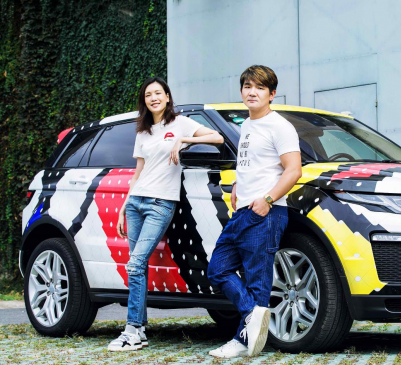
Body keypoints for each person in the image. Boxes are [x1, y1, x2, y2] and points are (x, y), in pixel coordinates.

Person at [107, 77, 224, 351]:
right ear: (144, 101)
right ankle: (139, 330)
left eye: (158, 93)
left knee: (135, 264)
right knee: (138, 266)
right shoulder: (143, 132)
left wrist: (183, 140)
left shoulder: (180, 123)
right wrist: (124, 205)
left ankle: (132, 330)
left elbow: (217, 138)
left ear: (168, 97)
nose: (154, 98)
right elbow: (138, 172)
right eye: (148, 94)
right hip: (136, 202)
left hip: (161, 203)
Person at [207, 65, 302, 358]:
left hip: (265, 213)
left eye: (260, 87)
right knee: (218, 269)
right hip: (244, 211)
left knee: (256, 281)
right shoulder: (247, 124)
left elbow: (294, 170)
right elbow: (256, 163)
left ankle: (244, 341)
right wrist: (239, 182)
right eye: (248, 86)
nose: (252, 92)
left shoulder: (280, 126)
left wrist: (268, 200)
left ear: (271, 94)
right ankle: (252, 316)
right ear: (241, 91)